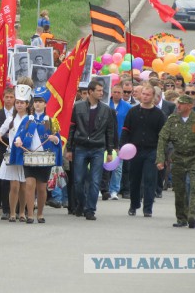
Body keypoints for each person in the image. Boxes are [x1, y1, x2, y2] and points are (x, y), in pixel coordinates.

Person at [157, 94, 195, 228]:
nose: (178, 106)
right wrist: (160, 159)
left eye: (181, 104)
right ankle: (181, 218)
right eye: (178, 103)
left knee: (194, 186)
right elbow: (163, 139)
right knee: (179, 189)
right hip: (178, 158)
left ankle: (192, 216)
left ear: (190, 106)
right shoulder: (172, 120)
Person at [65, 80, 116, 221]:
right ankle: (81, 203)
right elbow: (71, 128)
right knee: (78, 180)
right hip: (80, 147)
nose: (101, 93)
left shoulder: (106, 110)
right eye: (98, 90)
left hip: (98, 148)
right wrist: (69, 148)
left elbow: (110, 132)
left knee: (95, 180)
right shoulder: (78, 107)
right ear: (90, 92)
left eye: (102, 90)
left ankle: (90, 209)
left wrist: (110, 152)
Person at [16, 87, 62, 223]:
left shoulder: (51, 121)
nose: (37, 104)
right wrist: (18, 140)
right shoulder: (27, 120)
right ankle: (30, 214)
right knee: (29, 184)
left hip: (44, 158)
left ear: (45, 104)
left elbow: (58, 138)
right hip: (29, 156)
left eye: (40, 101)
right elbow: (19, 134)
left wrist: (55, 139)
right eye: (35, 101)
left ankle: (40, 213)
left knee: (42, 188)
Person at [121, 84, 166, 218]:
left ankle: (148, 208)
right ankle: (134, 205)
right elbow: (126, 131)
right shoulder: (133, 111)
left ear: (153, 97)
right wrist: (122, 146)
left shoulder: (159, 114)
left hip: (151, 150)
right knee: (134, 179)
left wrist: (161, 154)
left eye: (148, 94)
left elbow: (162, 136)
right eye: (143, 94)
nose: (145, 97)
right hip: (134, 150)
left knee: (149, 179)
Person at [0, 84, 31, 222]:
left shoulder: (31, 119)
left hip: (25, 154)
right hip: (12, 154)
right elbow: (0, 131)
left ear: (27, 104)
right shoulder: (10, 119)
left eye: (22, 103)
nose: (19, 105)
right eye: (18, 102)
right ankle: (11, 212)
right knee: (14, 184)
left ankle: (22, 212)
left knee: (23, 185)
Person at [0, 87, 15, 219]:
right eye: (7, 97)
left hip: (16, 149)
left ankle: (15, 207)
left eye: (11, 97)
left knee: (16, 179)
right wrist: (8, 136)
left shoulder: (18, 114)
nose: (9, 100)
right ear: (3, 98)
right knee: (3, 179)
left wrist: (8, 135)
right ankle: (5, 208)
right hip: (2, 149)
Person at [109, 84, 132, 200]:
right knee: (103, 164)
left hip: (120, 139)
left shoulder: (127, 107)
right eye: (115, 92)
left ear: (122, 94)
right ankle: (102, 188)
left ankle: (114, 190)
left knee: (118, 166)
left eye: (119, 92)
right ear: (111, 92)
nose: (117, 94)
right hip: (106, 138)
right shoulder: (106, 104)